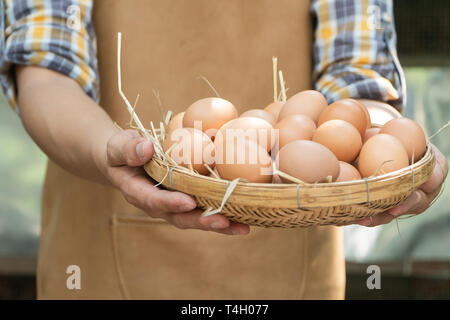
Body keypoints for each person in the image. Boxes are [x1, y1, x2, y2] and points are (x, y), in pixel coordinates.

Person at [0, 0, 447, 299]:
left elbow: (357, 78)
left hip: (290, 254)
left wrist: (384, 143)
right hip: (98, 252)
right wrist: (110, 150)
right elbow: (44, 70)